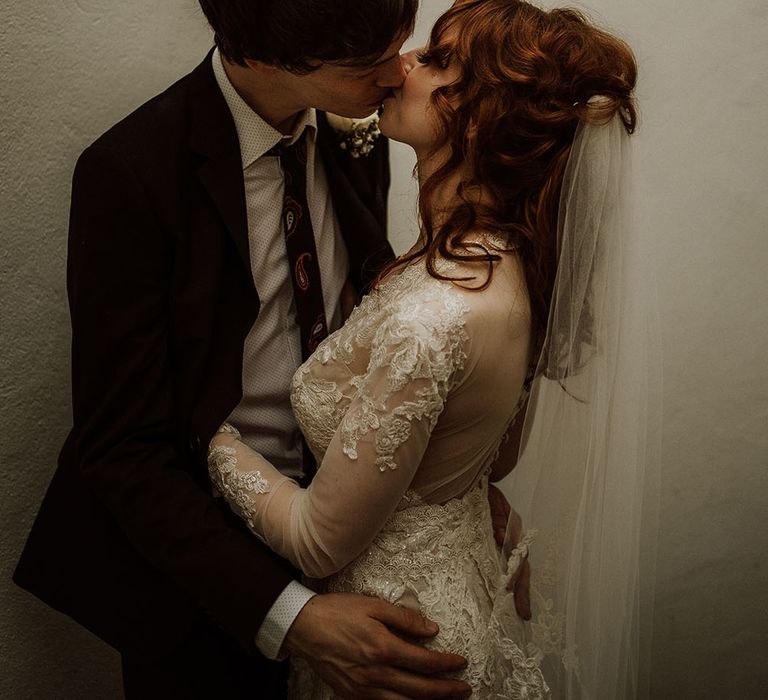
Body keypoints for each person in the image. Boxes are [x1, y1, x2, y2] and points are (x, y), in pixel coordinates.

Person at [13, 1, 485, 698]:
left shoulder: (363, 130)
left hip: (354, 540)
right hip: (200, 588)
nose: (397, 75)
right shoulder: (131, 174)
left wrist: (464, 493)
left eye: (398, 45)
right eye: (365, 64)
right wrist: (290, 617)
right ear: (264, 58)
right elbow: (120, 449)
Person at [206, 0, 660, 698]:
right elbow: (492, 459)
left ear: (480, 117)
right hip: (451, 606)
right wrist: (449, 493)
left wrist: (209, 439)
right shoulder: (515, 268)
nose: (404, 64)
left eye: (438, 58)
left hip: (389, 651)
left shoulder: (432, 316)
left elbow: (319, 541)